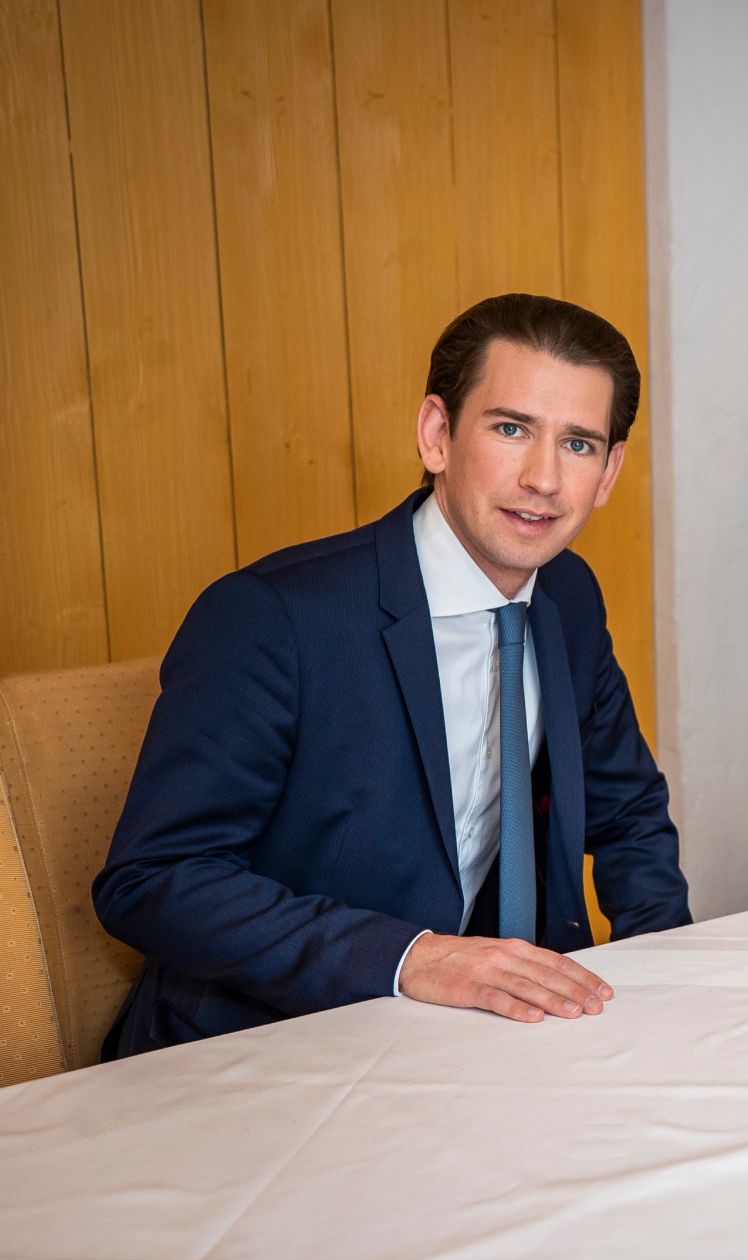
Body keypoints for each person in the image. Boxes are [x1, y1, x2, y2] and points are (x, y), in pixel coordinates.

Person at [94, 294, 690, 1057]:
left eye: (577, 444)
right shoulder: (271, 616)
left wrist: (667, 982)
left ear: (608, 472)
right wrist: (410, 957)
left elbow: (629, 811)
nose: (543, 478)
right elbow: (152, 878)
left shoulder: (568, 597)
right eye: (511, 429)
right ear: (437, 435)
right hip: (264, 1042)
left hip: (483, 1046)